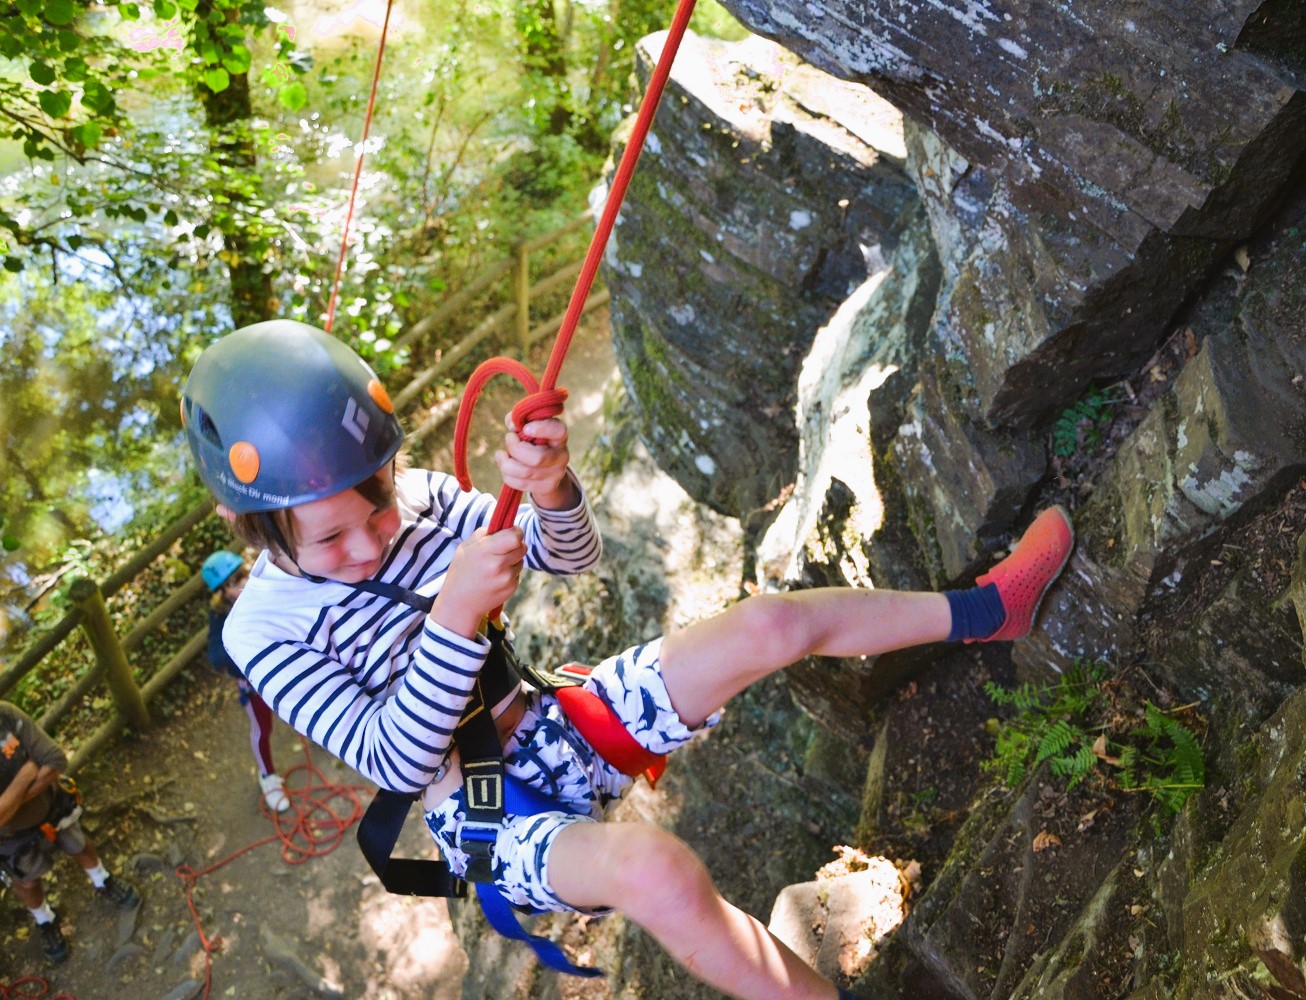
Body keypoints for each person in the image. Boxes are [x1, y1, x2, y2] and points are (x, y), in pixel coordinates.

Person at [181, 320, 1074, 1000]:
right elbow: (393, 760)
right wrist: (452, 620)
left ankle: (990, 609)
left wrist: (551, 489)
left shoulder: (413, 499)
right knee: (655, 868)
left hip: (560, 720)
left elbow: (565, 555)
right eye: (332, 536)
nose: (372, 544)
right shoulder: (263, 631)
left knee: (764, 626)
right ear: (251, 525)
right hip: (478, 810)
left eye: (375, 513)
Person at [0, 701, 142, 965]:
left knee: (78, 844)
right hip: (11, 841)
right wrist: (27, 773)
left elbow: (54, 760)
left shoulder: (5, 715)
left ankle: (102, 879)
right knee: (27, 882)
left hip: (53, 807)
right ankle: (45, 920)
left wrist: (10, 804)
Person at [202, 549, 291, 813]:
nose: (239, 586)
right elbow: (216, 655)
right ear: (221, 593)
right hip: (252, 683)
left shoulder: (261, 589)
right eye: (230, 585)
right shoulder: (220, 618)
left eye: (240, 577)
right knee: (262, 729)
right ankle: (268, 777)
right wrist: (245, 657)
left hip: (281, 666)